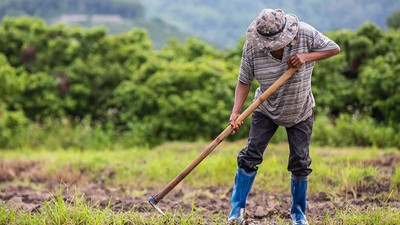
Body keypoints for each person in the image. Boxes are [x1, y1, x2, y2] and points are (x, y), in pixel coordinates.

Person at [228, 9, 340, 225]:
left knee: (300, 161)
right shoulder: (252, 47)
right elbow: (244, 80)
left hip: (300, 109)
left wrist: (306, 57)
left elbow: (334, 48)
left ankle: (298, 214)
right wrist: (236, 112)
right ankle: (236, 211)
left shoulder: (305, 33)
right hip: (266, 108)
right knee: (250, 156)